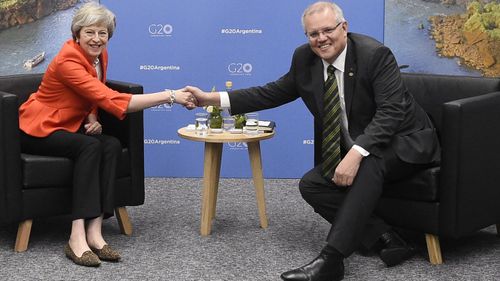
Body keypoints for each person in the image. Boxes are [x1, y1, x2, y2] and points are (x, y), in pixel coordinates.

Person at [186, 1, 440, 280]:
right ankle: (387, 237)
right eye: (313, 34)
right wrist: (211, 100)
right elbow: (271, 92)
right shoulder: (304, 59)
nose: (321, 39)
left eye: (328, 30)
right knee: (313, 184)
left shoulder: (374, 55)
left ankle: (332, 260)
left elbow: (391, 113)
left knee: (369, 160)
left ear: (344, 28)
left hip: (407, 142)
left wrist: (355, 153)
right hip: (368, 146)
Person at [18, 3, 195, 267]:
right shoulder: (68, 60)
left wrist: (92, 118)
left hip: (70, 124)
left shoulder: (100, 55)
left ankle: (95, 231)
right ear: (76, 34)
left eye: (102, 33)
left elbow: (90, 94)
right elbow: (110, 98)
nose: (97, 39)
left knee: (110, 144)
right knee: (89, 147)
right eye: (90, 32)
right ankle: (76, 236)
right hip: (38, 128)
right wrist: (171, 96)